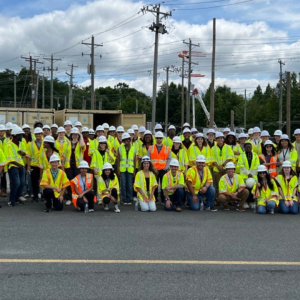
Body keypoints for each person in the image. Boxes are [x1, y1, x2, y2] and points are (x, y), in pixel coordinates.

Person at [147, 131, 171, 204]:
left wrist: (166, 168)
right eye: (157, 138)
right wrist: (153, 168)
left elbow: (169, 159)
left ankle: (164, 199)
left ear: (162, 139)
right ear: (155, 138)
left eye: (160, 138)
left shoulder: (167, 148)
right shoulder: (150, 148)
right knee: (154, 185)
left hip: (163, 169)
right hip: (154, 169)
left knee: (163, 185)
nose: (159, 139)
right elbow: (148, 159)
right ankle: (155, 199)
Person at [64, 127, 86, 205]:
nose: (75, 136)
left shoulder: (80, 143)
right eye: (73, 134)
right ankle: (70, 197)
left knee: (77, 182)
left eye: (76, 134)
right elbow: (63, 155)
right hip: (69, 166)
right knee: (70, 182)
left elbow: (83, 146)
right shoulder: (67, 143)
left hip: (77, 166)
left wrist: (81, 135)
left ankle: (77, 197)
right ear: (71, 135)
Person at [5, 127, 26, 207]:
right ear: (15, 135)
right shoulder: (9, 145)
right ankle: (11, 200)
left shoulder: (21, 143)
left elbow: (24, 154)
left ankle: (17, 199)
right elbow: (9, 158)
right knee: (16, 183)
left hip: (21, 166)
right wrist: (18, 164)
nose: (22, 137)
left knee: (22, 183)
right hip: (13, 166)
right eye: (20, 135)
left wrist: (23, 154)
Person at [117, 132, 136, 205]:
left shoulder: (134, 148)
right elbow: (118, 159)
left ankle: (129, 199)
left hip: (130, 169)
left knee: (130, 184)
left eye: (127, 140)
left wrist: (134, 170)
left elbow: (134, 160)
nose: (126, 141)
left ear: (130, 140)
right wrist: (118, 169)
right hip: (122, 169)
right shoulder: (120, 148)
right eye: (125, 140)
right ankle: (124, 199)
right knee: (123, 184)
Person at [27, 127, 44, 202]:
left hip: (43, 165)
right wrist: (28, 166)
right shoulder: (30, 144)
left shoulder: (45, 143)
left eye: (39, 134)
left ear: (41, 134)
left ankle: (43, 195)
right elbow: (28, 156)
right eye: (36, 134)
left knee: (43, 181)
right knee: (34, 181)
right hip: (34, 165)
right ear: (34, 134)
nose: (38, 135)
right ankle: (35, 196)